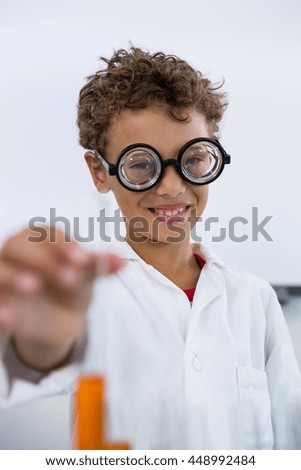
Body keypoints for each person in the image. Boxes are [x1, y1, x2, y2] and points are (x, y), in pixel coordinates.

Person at [0, 47, 300, 450]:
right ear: (99, 172)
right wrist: (35, 344)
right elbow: (21, 370)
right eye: (141, 164)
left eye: (194, 159)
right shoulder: (82, 296)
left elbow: (289, 438)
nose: (172, 187)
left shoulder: (254, 299)